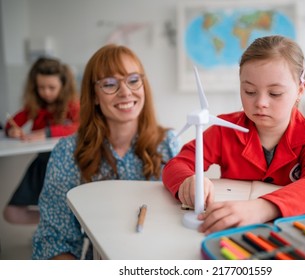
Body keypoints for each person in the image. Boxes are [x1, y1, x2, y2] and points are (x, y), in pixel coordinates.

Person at [162, 35, 305, 235]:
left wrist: (262, 208)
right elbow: (176, 165)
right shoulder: (224, 129)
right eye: (250, 91)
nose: (261, 102)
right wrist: (188, 181)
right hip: (233, 231)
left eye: (275, 93)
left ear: (300, 90)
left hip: (288, 232)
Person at [32, 44, 179, 260]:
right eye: (110, 84)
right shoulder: (68, 152)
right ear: (94, 96)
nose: (125, 92)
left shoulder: (167, 143)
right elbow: (55, 240)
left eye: (133, 80)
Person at [3, 57, 80, 224]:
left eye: (52, 87)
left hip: (68, 165)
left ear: (63, 86)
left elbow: (80, 126)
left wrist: (47, 132)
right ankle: (53, 223)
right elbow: (11, 123)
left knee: (70, 206)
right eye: (41, 88)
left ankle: (60, 224)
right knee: (11, 213)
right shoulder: (35, 107)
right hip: (42, 165)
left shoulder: (72, 105)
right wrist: (12, 130)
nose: (46, 92)